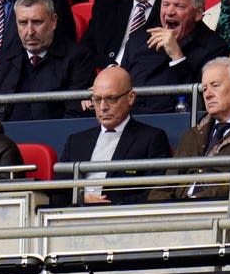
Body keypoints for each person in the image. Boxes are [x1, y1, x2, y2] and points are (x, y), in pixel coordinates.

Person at [148, 57, 230, 201]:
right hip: (178, 215)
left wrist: (196, 202)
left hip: (225, 214)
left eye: (215, 85)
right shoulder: (192, 134)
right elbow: (165, 185)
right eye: (204, 89)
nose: (208, 94)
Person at [54, 66, 171, 206]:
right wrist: (81, 199)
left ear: (131, 97)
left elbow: (155, 192)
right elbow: (58, 193)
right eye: (97, 99)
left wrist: (109, 204)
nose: (103, 107)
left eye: (111, 98)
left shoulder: (151, 138)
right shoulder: (76, 141)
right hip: (74, 216)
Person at [122, 0, 229, 113]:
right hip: (131, 123)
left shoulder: (215, 48)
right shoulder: (139, 39)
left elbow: (203, 104)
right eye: (165, 4)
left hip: (179, 125)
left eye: (179, 6)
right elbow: (121, 83)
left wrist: (177, 57)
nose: (170, 12)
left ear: (198, 13)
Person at [0, 0, 94, 120]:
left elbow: (74, 117)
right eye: (23, 23)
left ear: (53, 21)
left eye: (37, 22)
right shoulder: (7, 58)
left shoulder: (78, 58)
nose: (30, 31)